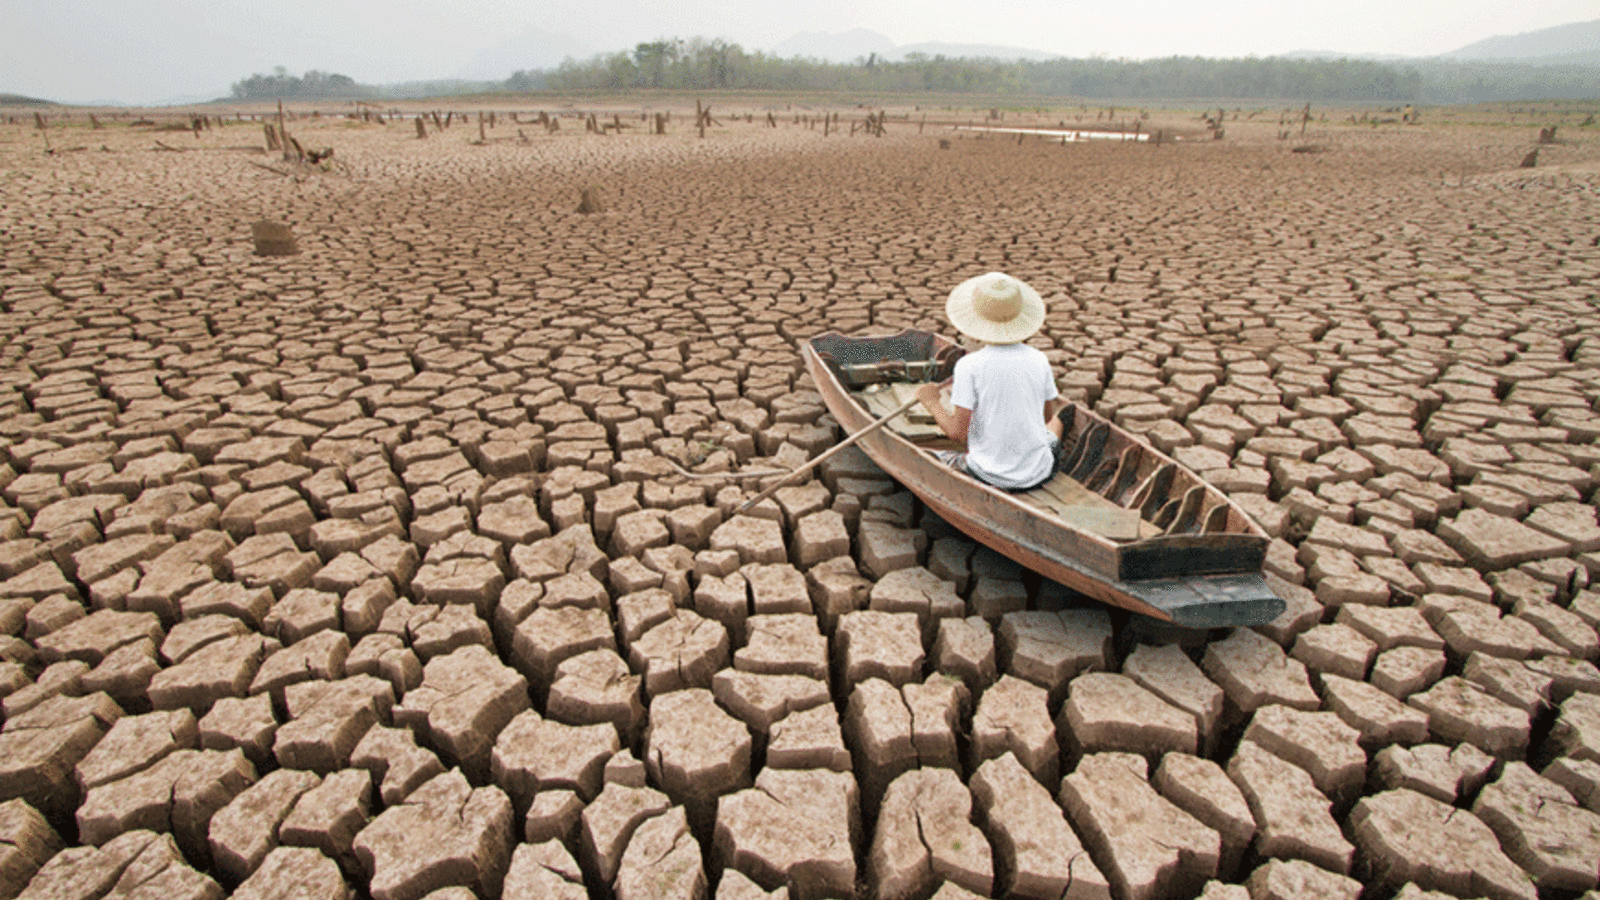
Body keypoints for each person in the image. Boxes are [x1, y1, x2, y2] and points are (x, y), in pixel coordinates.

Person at [915, 271, 1065, 491]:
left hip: (987, 475)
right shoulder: (1039, 359)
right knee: (1057, 423)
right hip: (1039, 473)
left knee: (929, 455)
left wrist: (931, 403)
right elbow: (1047, 417)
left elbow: (958, 435)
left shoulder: (969, 365)